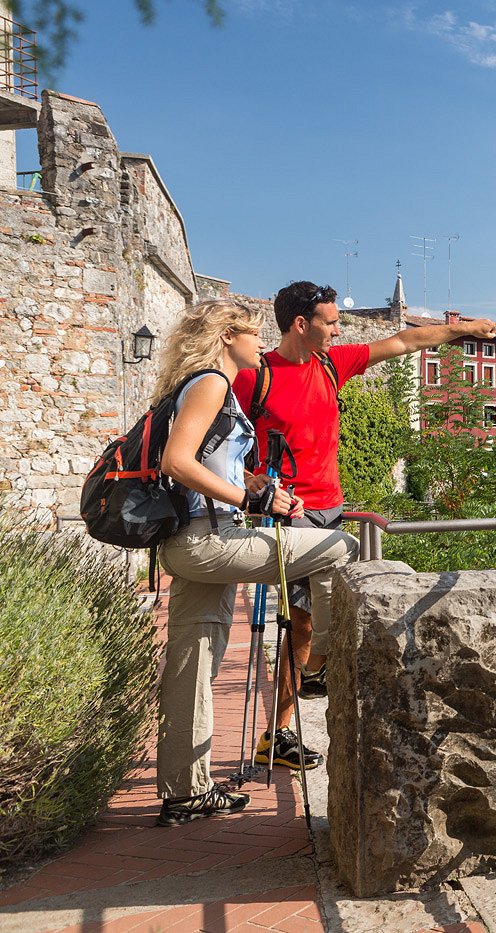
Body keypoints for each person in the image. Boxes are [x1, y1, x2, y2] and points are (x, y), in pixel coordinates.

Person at [232, 281, 496, 768]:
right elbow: (223, 448)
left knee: (316, 621)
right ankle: (278, 730)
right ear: (302, 324)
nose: (339, 329)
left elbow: (404, 342)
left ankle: (302, 691)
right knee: (300, 625)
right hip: (287, 514)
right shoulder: (255, 378)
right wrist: (256, 482)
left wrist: (464, 330)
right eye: (331, 321)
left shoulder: (330, 365)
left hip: (332, 511)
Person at [154, 299, 359, 826]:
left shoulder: (195, 385)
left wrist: (264, 489)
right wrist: (251, 503)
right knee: (340, 548)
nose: (260, 343)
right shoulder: (212, 384)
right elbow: (175, 462)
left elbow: (206, 461)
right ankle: (326, 668)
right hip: (208, 539)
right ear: (226, 336)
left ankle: (185, 793)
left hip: (189, 540)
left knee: (192, 663)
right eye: (251, 333)